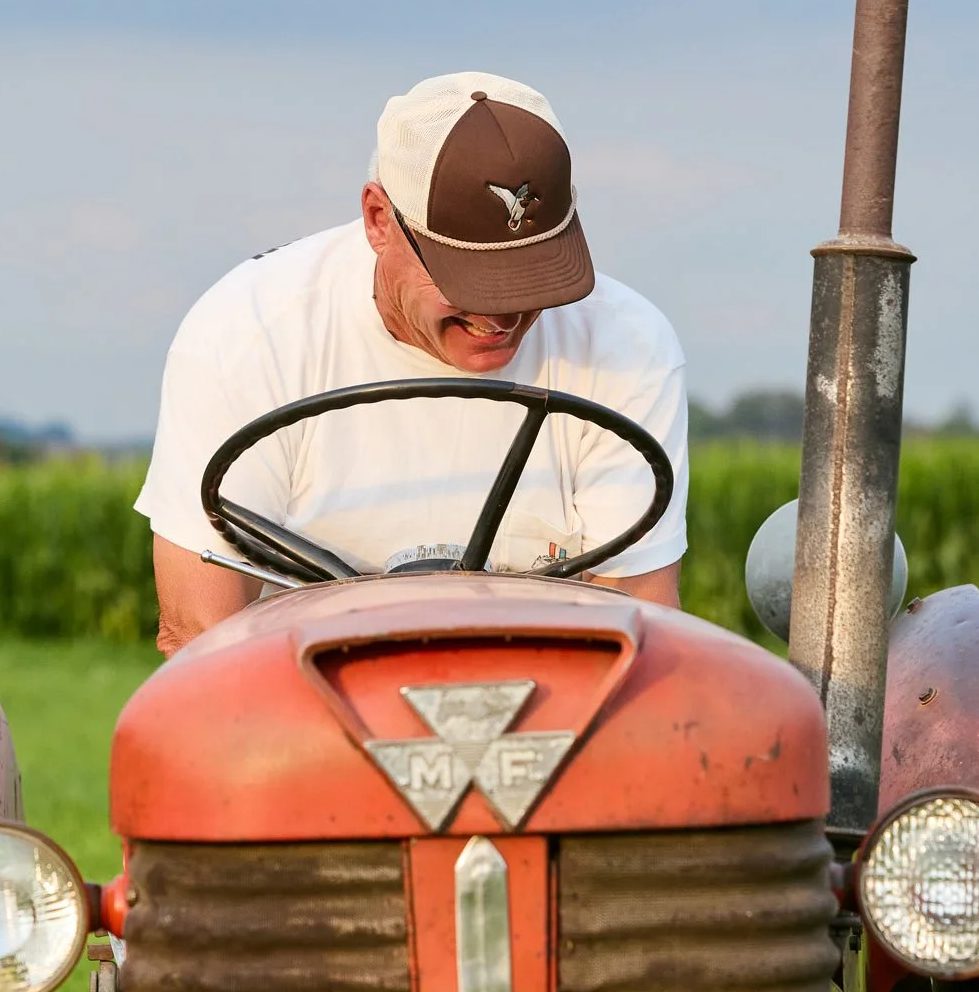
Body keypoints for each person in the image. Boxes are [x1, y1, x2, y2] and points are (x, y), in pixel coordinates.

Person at [135, 71, 689, 656]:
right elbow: (199, 637)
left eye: (532, 275)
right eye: (469, 278)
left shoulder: (626, 344)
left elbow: (639, 621)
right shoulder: (249, 333)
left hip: (554, 684)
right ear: (379, 219)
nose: (502, 315)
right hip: (301, 685)